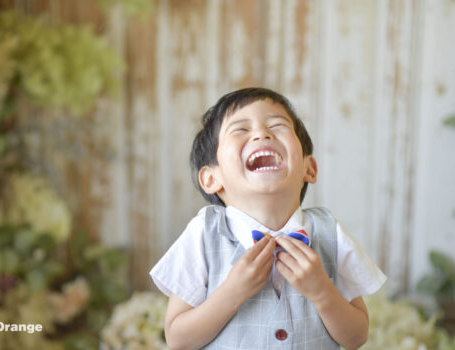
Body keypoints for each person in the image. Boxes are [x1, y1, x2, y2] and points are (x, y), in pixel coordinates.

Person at [150, 87, 386, 349]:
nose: (263, 134)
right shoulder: (203, 234)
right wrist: (231, 293)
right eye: (240, 130)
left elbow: (356, 337)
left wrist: (322, 292)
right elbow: (177, 340)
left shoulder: (331, 233)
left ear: (309, 168)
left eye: (278, 125)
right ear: (211, 178)